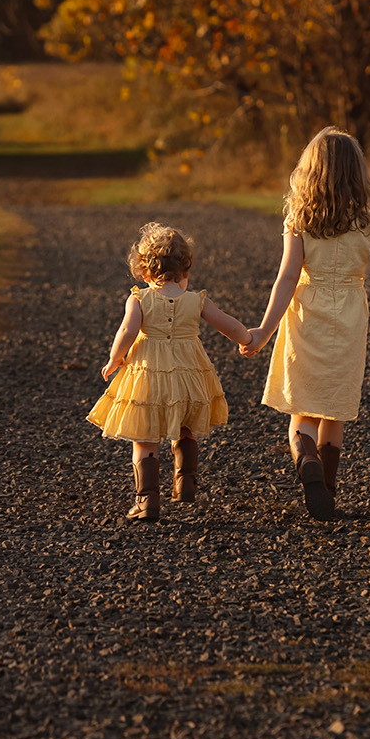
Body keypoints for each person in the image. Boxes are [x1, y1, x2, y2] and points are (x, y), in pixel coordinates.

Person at [241, 127, 370, 521]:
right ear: (357, 173)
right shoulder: (368, 222)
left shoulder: (299, 218)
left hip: (307, 313)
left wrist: (263, 330)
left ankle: (305, 460)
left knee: (301, 407)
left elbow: (287, 278)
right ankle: (327, 489)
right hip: (350, 317)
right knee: (334, 411)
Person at [89, 222, 254, 523]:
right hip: (189, 373)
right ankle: (185, 482)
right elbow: (226, 324)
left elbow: (127, 330)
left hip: (148, 373)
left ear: (143, 270)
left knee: (145, 437)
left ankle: (147, 500)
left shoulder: (139, 298)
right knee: (186, 425)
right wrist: (248, 339)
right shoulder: (196, 301)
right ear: (186, 267)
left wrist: (115, 358)